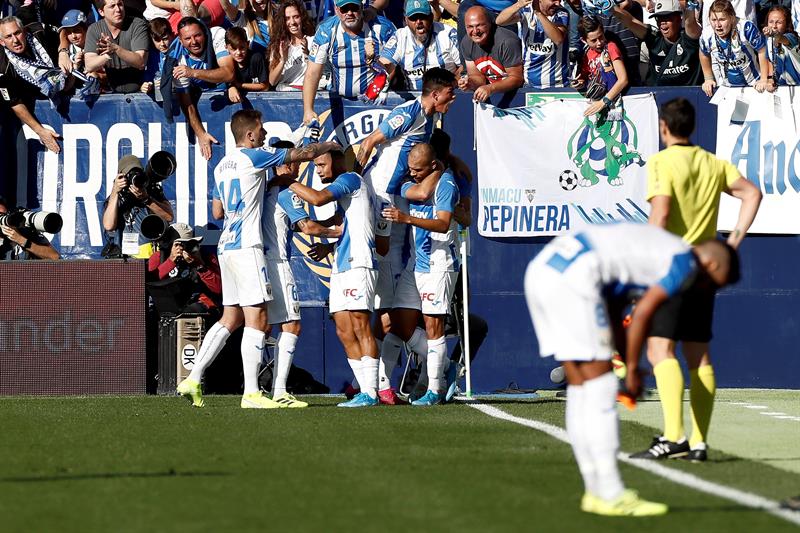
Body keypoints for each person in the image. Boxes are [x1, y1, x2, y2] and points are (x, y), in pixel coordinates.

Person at [525, 222, 741, 516]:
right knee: (601, 386)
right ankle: (611, 493)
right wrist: (630, 370)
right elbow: (642, 315)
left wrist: (627, 362)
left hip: (544, 272)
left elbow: (615, 308)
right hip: (576, 279)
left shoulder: (659, 251)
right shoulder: (684, 262)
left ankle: (595, 491)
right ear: (712, 264)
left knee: (581, 386)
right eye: (714, 284)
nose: (708, 291)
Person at [175, 109, 339, 409]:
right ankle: (252, 392)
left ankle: (193, 376)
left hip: (227, 245)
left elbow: (217, 212)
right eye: (261, 130)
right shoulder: (255, 159)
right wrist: (329, 146)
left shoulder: (222, 165)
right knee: (258, 320)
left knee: (230, 318)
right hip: (250, 248)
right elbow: (300, 155)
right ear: (250, 134)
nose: (263, 134)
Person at [630, 97, 762, 461]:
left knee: (660, 349)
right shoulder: (712, 162)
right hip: (705, 270)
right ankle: (700, 442)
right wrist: (733, 242)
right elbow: (752, 194)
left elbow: (660, 214)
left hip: (673, 266)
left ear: (663, 127)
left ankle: (674, 437)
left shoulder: (662, 161)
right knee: (699, 355)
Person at [354, 68, 457, 404]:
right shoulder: (409, 112)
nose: (453, 99)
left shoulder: (429, 123)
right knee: (378, 266)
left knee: (390, 289)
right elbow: (370, 142)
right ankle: (384, 383)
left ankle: (393, 383)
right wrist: (356, 184)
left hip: (397, 201)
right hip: (380, 195)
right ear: (436, 93)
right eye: (450, 93)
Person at [279, 149, 382, 408]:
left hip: (359, 263)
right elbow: (339, 223)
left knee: (360, 326)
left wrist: (286, 181)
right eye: (315, 165)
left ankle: (372, 392)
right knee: (343, 329)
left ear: (337, 162)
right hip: (342, 265)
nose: (319, 170)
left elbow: (317, 199)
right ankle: (364, 392)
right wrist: (327, 247)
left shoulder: (350, 179)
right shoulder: (345, 193)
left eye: (322, 164)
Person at [381, 143, 461, 406]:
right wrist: (422, 180)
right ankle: (447, 365)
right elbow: (416, 190)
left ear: (434, 165)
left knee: (433, 327)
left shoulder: (447, 185)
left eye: (419, 169)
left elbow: (443, 223)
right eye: (411, 169)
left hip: (439, 264)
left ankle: (435, 390)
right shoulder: (413, 182)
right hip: (416, 265)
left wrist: (407, 219)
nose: (412, 173)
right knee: (399, 322)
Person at [261, 139, 308, 408]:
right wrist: (336, 231)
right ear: (286, 162)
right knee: (292, 325)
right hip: (278, 263)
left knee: (259, 326)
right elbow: (307, 226)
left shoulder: (263, 187)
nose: (299, 168)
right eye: (298, 162)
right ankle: (279, 389)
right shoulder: (287, 190)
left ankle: (254, 390)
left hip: (259, 261)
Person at [303, 0, 396, 121]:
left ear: (362, 7)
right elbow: (312, 73)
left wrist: (373, 60)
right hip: (339, 101)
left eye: (354, 8)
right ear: (336, 10)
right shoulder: (326, 30)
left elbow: (393, 68)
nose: (349, 13)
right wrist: (308, 110)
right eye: (344, 9)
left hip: (375, 102)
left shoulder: (382, 28)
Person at [160, 16, 235, 160]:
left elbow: (229, 73)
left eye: (197, 35)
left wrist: (193, 72)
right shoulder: (176, 60)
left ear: (204, 33)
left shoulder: (217, 35)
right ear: (181, 41)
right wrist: (201, 134)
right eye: (188, 38)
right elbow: (186, 103)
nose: (194, 42)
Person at [0, 17, 63, 153]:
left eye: (17, 33)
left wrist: (63, 51)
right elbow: (15, 103)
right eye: (8, 37)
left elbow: (63, 31)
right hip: (35, 97)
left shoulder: (38, 30)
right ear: (2, 41)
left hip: (64, 80)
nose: (15, 40)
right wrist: (40, 131)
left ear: (24, 30)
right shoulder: (3, 68)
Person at [610, 0, 703, 86]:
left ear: (679, 18)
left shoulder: (689, 39)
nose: (662, 22)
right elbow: (630, 22)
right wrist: (610, 7)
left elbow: (690, 22)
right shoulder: (654, 38)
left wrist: (690, 5)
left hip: (691, 99)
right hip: (658, 99)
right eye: (659, 18)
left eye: (667, 17)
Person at [102, 154, 175, 259]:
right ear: (121, 175)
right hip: (125, 258)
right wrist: (115, 191)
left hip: (151, 258)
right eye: (130, 174)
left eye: (137, 172)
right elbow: (108, 226)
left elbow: (169, 217)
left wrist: (146, 199)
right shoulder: (115, 196)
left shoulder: (151, 191)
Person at [378, 0, 462, 90]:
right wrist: (372, 60)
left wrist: (451, 86)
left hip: (445, 98)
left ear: (431, 17)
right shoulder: (399, 37)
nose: (418, 22)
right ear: (405, 20)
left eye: (423, 17)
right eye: (413, 18)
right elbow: (384, 65)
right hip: (413, 99)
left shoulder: (448, 33)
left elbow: (465, 66)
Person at [146, 222, 222, 315]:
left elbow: (218, 288)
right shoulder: (159, 257)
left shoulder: (205, 256)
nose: (183, 248)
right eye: (179, 244)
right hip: (166, 305)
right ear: (170, 244)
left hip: (198, 303)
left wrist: (199, 265)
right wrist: (171, 260)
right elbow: (150, 284)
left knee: (193, 310)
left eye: (187, 243)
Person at [699, 0, 770, 96]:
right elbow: (703, 53)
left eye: (722, 20)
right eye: (713, 20)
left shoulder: (746, 27)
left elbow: (762, 50)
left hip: (753, 84)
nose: (717, 25)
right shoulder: (707, 34)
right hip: (725, 88)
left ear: (732, 18)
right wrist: (708, 79)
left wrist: (764, 79)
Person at [495, 0, 570, 88]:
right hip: (529, 84)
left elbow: (558, 39)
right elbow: (499, 21)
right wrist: (518, 5)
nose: (557, 3)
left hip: (558, 85)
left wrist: (538, 13)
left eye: (559, 0)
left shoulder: (561, 13)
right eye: (553, 0)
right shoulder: (526, 11)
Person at [458, 6, 524, 102]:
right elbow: (477, 77)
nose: (475, 31)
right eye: (470, 27)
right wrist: (470, 83)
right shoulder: (466, 42)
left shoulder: (507, 41)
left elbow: (517, 78)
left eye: (479, 25)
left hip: (515, 95)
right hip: (490, 95)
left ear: (490, 23)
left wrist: (490, 88)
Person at [84, 0, 150, 93]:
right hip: (113, 92)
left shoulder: (137, 25)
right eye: (112, 6)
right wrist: (106, 56)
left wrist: (116, 48)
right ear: (101, 12)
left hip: (141, 92)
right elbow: (89, 65)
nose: (118, 9)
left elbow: (141, 62)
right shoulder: (94, 29)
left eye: (120, 4)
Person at [571, 15, 628, 117]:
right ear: (584, 40)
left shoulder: (610, 47)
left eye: (601, 37)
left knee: (617, 131)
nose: (599, 43)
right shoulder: (586, 53)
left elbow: (623, 79)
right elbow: (584, 78)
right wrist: (579, 83)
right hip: (594, 105)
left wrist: (604, 101)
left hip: (613, 104)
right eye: (593, 40)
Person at [267, 0, 318, 91]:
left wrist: (307, 53)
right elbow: (272, 81)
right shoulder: (278, 45)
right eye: (287, 18)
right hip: (284, 95)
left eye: (296, 17)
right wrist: (283, 60)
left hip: (308, 92)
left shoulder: (313, 41)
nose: (292, 22)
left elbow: (317, 73)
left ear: (302, 18)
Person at [225, 26, 268, 102]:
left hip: (260, 101)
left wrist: (239, 85)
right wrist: (231, 88)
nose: (238, 53)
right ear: (226, 48)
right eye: (234, 49)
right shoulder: (226, 63)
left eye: (242, 48)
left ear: (247, 44)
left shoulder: (256, 58)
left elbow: (265, 86)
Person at [762, 5, 800, 88]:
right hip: (782, 86)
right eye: (771, 22)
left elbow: (780, 38)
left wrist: (774, 34)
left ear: (787, 24)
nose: (774, 26)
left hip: (798, 85)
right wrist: (770, 79)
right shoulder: (768, 39)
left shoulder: (792, 37)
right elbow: (770, 60)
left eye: (779, 22)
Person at [140, 17, 174, 97]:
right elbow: (148, 79)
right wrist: (145, 86)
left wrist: (171, 82)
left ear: (172, 35)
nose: (162, 44)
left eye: (165, 39)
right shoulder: (150, 55)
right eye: (157, 40)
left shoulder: (179, 52)